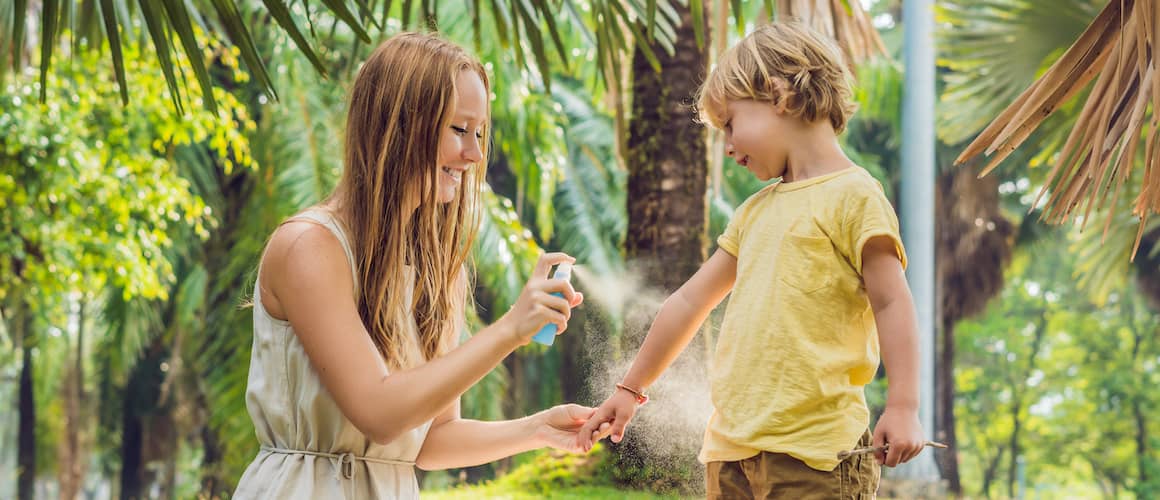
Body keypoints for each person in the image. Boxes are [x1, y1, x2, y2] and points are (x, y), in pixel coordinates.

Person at [234, 32, 594, 499]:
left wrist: (537, 429)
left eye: (480, 133)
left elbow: (428, 441)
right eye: (459, 130)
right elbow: (378, 412)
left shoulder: (432, 269)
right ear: (399, 125)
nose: (475, 154)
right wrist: (510, 330)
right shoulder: (310, 247)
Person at [577, 22, 926, 498]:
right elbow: (687, 303)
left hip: (815, 459)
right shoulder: (753, 213)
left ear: (777, 95)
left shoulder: (856, 197)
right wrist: (629, 389)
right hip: (730, 453)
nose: (728, 147)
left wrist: (904, 405)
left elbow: (891, 303)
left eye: (730, 125)